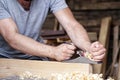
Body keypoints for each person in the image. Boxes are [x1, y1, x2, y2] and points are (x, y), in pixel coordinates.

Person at [0, 0, 106, 61]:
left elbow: (71, 25)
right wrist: (53, 52)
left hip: (36, 56)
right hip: (4, 57)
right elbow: (12, 37)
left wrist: (88, 47)